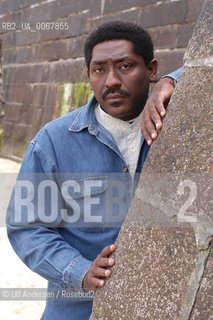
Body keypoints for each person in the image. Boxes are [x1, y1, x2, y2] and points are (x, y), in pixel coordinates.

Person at [6, 21, 181, 320]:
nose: (111, 80)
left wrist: (173, 81)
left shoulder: (177, 123)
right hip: (78, 310)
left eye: (125, 66)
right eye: (99, 70)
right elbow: (27, 227)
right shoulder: (53, 142)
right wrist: (79, 270)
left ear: (151, 70)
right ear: (88, 76)